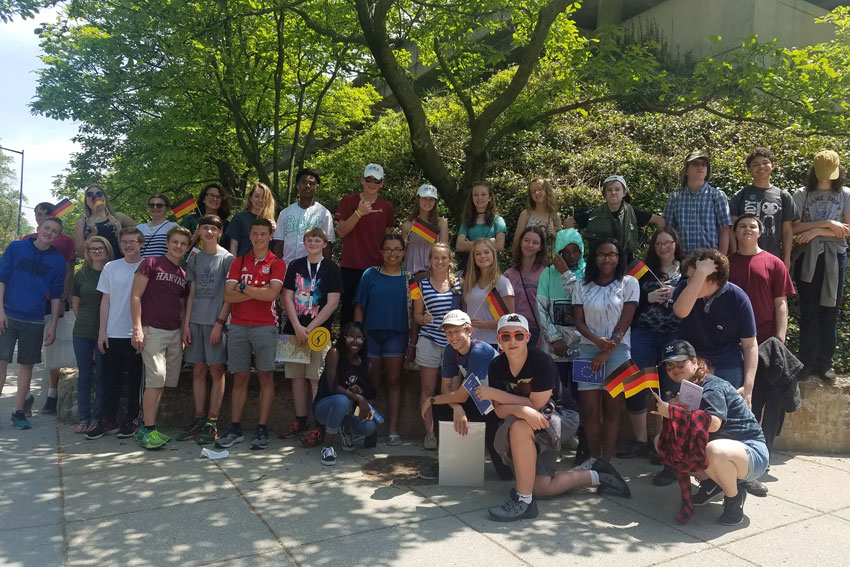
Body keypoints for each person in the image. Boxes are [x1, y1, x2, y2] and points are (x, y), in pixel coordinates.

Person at [476, 313, 630, 522]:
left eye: (518, 336)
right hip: (531, 417)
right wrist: (520, 409)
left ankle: (524, 502)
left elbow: (536, 405)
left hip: (560, 414)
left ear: (528, 337)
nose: (512, 341)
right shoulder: (496, 365)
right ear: (499, 339)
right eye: (506, 336)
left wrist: (500, 397)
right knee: (541, 488)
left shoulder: (541, 361)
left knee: (519, 427)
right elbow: (499, 411)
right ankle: (596, 473)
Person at [653, 340, 768, 526]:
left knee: (713, 450)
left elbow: (713, 424)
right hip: (724, 450)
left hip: (751, 452)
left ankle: (734, 499)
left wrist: (674, 412)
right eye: (669, 366)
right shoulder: (687, 388)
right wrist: (673, 411)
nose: (674, 369)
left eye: (680, 363)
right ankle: (712, 485)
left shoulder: (712, 386)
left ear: (695, 362)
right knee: (664, 441)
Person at [728, 213, 795, 497]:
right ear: (735, 231)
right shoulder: (726, 263)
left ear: (760, 230)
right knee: (744, 401)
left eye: (752, 226)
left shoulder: (774, 263)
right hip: (732, 343)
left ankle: (762, 457)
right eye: (742, 226)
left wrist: (780, 340)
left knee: (770, 402)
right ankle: (744, 457)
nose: (747, 229)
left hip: (767, 343)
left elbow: (781, 303)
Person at [416, 309, 509, 481]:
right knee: (443, 407)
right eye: (448, 332)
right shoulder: (451, 350)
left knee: (505, 473)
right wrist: (456, 407)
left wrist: (431, 399)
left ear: (469, 331)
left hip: (499, 405)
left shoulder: (479, 350)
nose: (453, 337)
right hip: (478, 399)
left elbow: (461, 395)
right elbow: (446, 388)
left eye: (457, 331)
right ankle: (444, 461)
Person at [217, 218, 286, 450]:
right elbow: (228, 296)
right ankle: (235, 428)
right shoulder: (238, 262)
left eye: (263, 234)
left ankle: (261, 428)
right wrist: (260, 291)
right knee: (240, 378)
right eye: (254, 233)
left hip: (266, 325)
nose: (258, 238)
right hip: (237, 325)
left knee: (266, 377)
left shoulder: (277, 263)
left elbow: (272, 295)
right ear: (250, 235)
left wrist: (243, 288)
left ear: (270, 237)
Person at [619, 226, 685, 463]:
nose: (663, 247)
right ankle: (640, 441)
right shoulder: (643, 272)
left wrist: (676, 293)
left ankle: (662, 442)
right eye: (658, 244)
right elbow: (626, 298)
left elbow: (696, 296)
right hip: (644, 333)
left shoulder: (687, 270)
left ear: (676, 244)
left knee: (669, 387)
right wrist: (648, 298)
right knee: (636, 384)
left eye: (668, 243)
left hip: (673, 335)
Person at [573, 238, 639, 465]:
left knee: (612, 409)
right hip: (587, 350)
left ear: (619, 258)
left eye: (612, 254)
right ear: (594, 258)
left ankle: (606, 462)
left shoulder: (629, 283)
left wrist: (607, 351)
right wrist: (596, 342)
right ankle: (593, 458)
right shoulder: (581, 285)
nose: (607, 259)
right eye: (602, 254)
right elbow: (578, 322)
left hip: (618, 353)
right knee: (589, 411)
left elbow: (626, 319)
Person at [279, 227, 342, 446]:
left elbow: (333, 302)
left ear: (325, 244)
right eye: (309, 239)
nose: (313, 243)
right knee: (296, 378)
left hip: (319, 333)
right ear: (304, 242)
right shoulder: (295, 265)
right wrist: (297, 326)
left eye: (318, 240)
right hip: (293, 330)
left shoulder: (332, 268)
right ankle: (300, 421)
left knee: (316, 379)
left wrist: (310, 328)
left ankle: (318, 426)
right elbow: (286, 296)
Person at [0, 217, 66, 429]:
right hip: (8, 314)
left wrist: (53, 324)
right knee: (1, 362)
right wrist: (0, 310)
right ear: (38, 228)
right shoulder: (16, 248)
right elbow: (2, 278)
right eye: (46, 228)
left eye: (54, 231)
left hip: (35, 319)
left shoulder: (58, 261)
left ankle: (19, 411)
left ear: (57, 236)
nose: (49, 232)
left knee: (26, 365)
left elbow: (56, 295)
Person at [791, 150, 850, 383]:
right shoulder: (801, 194)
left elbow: (847, 228)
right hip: (808, 257)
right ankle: (806, 363)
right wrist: (826, 224)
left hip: (835, 256)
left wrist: (816, 230)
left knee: (830, 311)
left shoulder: (845, 193)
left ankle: (825, 364)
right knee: (809, 312)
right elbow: (793, 228)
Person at [130, 226, 191, 449]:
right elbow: (135, 296)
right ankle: (147, 430)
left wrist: (184, 330)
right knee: (155, 378)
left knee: (163, 382)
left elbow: (182, 305)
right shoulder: (151, 263)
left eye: (183, 244)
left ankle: (149, 426)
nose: (178, 246)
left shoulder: (183, 274)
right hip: (152, 329)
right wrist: (137, 328)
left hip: (174, 332)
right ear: (167, 242)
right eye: (175, 242)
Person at [672, 249, 757, 406]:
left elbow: (750, 344)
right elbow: (681, 311)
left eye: (695, 278)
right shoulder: (684, 289)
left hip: (727, 362)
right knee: (688, 414)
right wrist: (701, 273)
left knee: (725, 420)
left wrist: (748, 387)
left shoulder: (738, 298)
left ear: (712, 281)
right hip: (692, 362)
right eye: (691, 277)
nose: (688, 282)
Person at [177, 215, 234, 445]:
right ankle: (200, 419)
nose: (209, 232)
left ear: (220, 232)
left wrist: (220, 323)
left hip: (216, 323)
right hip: (196, 322)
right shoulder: (194, 258)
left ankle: (212, 421)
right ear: (198, 231)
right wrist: (186, 325)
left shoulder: (227, 258)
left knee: (216, 370)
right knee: (198, 371)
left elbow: (229, 295)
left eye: (213, 228)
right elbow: (191, 293)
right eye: (205, 228)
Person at [89, 228, 145, 440]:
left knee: (134, 381)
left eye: (132, 241)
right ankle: (108, 419)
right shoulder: (111, 267)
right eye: (124, 242)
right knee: (110, 380)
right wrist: (102, 331)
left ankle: (132, 418)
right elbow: (106, 301)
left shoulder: (148, 266)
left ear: (141, 243)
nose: (128, 245)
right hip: (112, 332)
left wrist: (141, 330)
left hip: (136, 333)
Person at [21, 202, 77, 415]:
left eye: (46, 214)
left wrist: (64, 297)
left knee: (54, 345)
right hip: (28, 302)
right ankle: (25, 395)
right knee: (29, 347)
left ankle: (52, 394)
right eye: (38, 214)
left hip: (54, 299)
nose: (41, 217)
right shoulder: (25, 241)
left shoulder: (64, 240)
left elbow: (70, 271)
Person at [354, 234, 409, 445]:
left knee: (394, 380)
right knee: (370, 379)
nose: (392, 253)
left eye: (397, 249)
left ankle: (393, 428)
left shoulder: (408, 278)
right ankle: (367, 428)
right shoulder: (370, 274)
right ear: (381, 251)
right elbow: (360, 306)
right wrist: (358, 337)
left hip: (397, 335)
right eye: (388, 249)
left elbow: (415, 312)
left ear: (403, 252)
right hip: (371, 336)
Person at [410, 243, 462, 450]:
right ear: (430, 261)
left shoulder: (459, 284)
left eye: (444, 258)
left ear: (450, 260)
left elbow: (465, 313)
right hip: (429, 340)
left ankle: (452, 431)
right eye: (436, 258)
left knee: (454, 389)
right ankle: (430, 433)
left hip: (454, 343)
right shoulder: (421, 286)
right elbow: (416, 315)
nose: (440, 262)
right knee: (428, 389)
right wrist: (423, 319)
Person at [335, 164, 396, 325]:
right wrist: (358, 213)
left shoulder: (387, 207)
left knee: (372, 315)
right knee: (348, 314)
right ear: (362, 180)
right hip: (350, 267)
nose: (372, 183)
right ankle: (344, 349)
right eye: (369, 179)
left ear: (382, 183)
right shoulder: (348, 201)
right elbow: (341, 232)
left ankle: (369, 350)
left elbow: (388, 239)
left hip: (376, 269)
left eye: (376, 180)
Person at [312, 323, 378, 466]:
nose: (355, 342)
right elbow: (332, 386)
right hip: (325, 408)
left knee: (370, 426)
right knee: (341, 400)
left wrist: (362, 391)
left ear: (364, 340)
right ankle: (327, 447)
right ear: (344, 337)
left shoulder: (367, 364)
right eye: (351, 337)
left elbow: (372, 392)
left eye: (359, 338)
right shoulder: (334, 353)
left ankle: (346, 430)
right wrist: (357, 397)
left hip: (350, 411)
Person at [565, 175, 663, 262]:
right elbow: (569, 222)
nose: (613, 192)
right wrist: (576, 249)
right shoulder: (594, 214)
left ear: (624, 193)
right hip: (600, 263)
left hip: (626, 263)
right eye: (609, 190)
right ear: (604, 194)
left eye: (617, 189)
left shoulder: (633, 212)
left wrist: (655, 249)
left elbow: (659, 221)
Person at [728, 148, 798, 268]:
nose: (761, 167)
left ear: (773, 165)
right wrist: (735, 254)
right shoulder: (740, 195)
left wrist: (786, 259)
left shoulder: (783, 196)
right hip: (744, 256)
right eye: (755, 164)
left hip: (774, 256)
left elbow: (787, 231)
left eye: (765, 163)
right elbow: (732, 228)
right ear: (749, 169)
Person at [71, 236, 113, 433]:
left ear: (107, 250)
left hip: (106, 332)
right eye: (93, 249)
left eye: (101, 248)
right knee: (85, 376)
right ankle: (84, 418)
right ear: (87, 253)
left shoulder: (113, 271)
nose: (97, 251)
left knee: (103, 375)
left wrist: (102, 330)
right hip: (82, 332)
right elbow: (76, 305)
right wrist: (88, 324)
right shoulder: (81, 275)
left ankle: (98, 419)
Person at [663, 151, 732, 255]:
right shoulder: (674, 198)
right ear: (686, 170)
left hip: (710, 260)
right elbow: (667, 230)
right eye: (695, 164)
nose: (700, 167)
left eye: (704, 164)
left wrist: (721, 261)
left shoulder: (717, 196)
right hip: (682, 260)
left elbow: (725, 230)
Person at [273, 168, 335, 265]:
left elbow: (328, 245)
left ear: (316, 187)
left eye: (311, 183)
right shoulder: (285, 213)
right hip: (287, 267)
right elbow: (279, 243)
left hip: (314, 269)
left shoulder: (324, 213)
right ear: (297, 185)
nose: (307, 186)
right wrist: (277, 267)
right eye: (304, 182)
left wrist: (325, 268)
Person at [462, 238, 515, 348]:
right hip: (469, 342)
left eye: (486, 252)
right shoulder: (470, 283)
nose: (483, 256)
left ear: (493, 254)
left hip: (493, 343)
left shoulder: (503, 283)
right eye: (478, 253)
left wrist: (484, 324)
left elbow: (510, 319)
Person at [503, 226, 547, 347]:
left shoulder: (546, 273)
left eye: (535, 242)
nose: (530, 245)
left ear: (540, 247)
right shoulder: (508, 275)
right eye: (526, 240)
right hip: (515, 330)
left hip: (538, 331)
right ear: (521, 242)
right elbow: (503, 310)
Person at [73, 184, 136, 260]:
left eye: (99, 193)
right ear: (86, 201)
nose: (95, 197)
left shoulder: (119, 216)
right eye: (90, 194)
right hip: (96, 269)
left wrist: (119, 229)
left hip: (121, 265)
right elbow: (81, 254)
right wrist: (93, 233)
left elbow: (140, 238)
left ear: (105, 198)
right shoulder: (81, 223)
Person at [455, 181, 507, 272]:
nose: (479, 198)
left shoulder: (498, 221)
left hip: (491, 269)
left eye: (483, 194)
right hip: (471, 268)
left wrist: (470, 244)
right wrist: (489, 241)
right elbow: (459, 245)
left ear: (489, 197)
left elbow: (499, 246)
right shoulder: (466, 221)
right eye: (475, 195)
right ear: (472, 198)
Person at [400, 183, 449, 275]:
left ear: (435, 202)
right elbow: (402, 254)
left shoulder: (442, 223)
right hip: (411, 274)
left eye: (431, 199)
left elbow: (444, 250)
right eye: (424, 198)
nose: (427, 202)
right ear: (418, 199)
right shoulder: (407, 225)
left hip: (434, 274)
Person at [225, 182, 277, 257]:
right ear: (250, 198)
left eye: (264, 197)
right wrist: (234, 265)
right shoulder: (240, 218)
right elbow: (233, 246)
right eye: (256, 196)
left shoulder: (271, 223)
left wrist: (276, 232)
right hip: (243, 265)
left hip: (265, 266)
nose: (260, 200)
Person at [512, 177, 562, 250]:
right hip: (529, 258)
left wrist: (554, 234)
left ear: (547, 191)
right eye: (533, 191)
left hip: (550, 260)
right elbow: (516, 241)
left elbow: (563, 242)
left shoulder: (554, 216)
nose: (537, 193)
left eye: (539, 189)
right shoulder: (526, 214)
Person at [180, 183, 233, 252]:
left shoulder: (226, 225)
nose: (214, 199)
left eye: (218, 197)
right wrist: (196, 235)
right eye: (211, 195)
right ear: (203, 199)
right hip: (189, 261)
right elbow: (180, 246)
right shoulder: (190, 220)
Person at [137, 194, 178, 258]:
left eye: (159, 205)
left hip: (162, 266)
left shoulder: (173, 227)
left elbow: (178, 249)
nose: (155, 207)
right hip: (142, 266)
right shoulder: (140, 228)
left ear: (167, 208)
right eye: (151, 205)